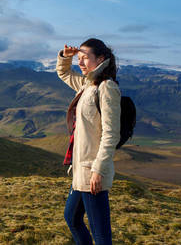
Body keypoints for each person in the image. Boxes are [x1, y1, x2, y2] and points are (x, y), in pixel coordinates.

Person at [56, 38, 121, 245]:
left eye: (86, 58)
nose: (81, 63)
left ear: (101, 59)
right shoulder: (87, 84)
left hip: (92, 172)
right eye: (79, 59)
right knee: (72, 218)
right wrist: (66, 57)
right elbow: (64, 73)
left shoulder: (106, 88)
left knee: (101, 235)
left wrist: (98, 170)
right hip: (80, 170)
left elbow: (111, 134)